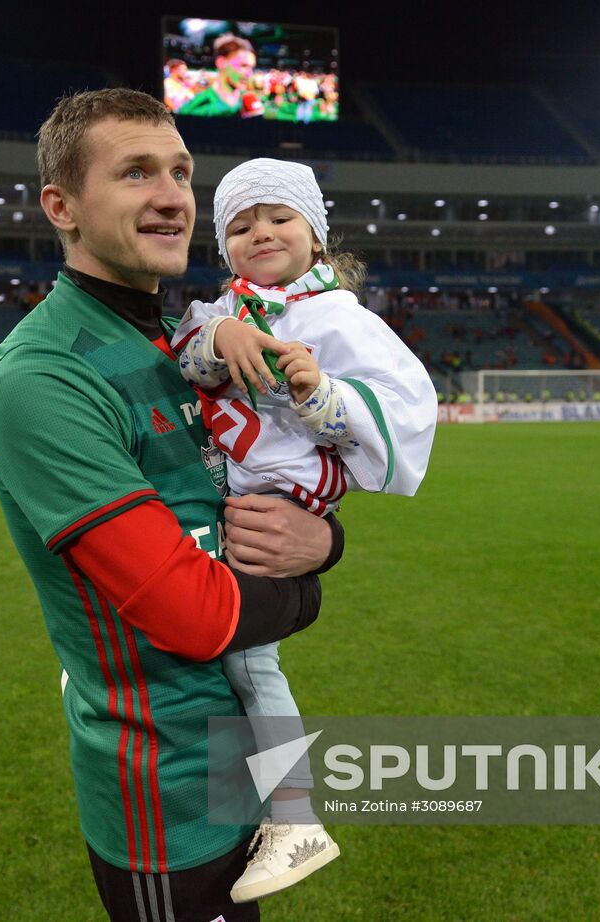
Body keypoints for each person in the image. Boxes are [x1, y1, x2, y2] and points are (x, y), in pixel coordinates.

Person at [0, 89, 341, 922]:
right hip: (165, 800)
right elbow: (192, 613)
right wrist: (319, 578)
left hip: (234, 762)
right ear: (61, 206)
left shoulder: (172, 342)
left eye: (180, 171)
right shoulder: (43, 375)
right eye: (136, 172)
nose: (173, 194)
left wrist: (320, 540)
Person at [173, 157, 437, 900]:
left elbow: (405, 403)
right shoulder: (217, 310)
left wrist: (321, 393)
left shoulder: (340, 318)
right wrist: (220, 338)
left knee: (253, 666)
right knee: (214, 653)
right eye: (240, 224)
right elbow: (185, 360)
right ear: (222, 245)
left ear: (316, 238)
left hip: (275, 506)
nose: (261, 232)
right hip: (217, 499)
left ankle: (296, 819)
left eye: (279, 217)